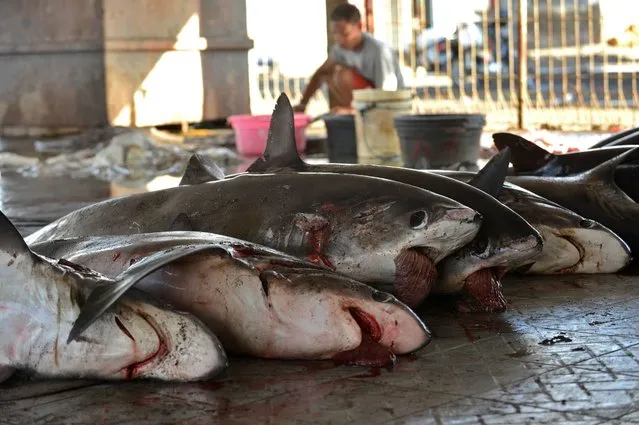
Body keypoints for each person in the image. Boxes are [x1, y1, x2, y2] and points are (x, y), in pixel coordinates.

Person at [293, 3, 406, 113]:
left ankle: (354, 111)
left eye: (345, 34)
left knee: (342, 75)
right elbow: (320, 74)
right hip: (365, 101)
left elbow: (388, 94)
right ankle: (354, 112)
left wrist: (352, 110)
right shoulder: (340, 49)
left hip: (389, 106)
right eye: (335, 34)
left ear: (359, 26)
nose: (340, 40)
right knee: (331, 72)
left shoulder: (380, 51)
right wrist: (303, 104)